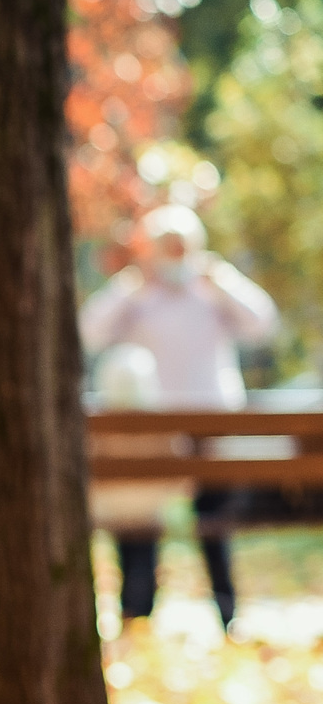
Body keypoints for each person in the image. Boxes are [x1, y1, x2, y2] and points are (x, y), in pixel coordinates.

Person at [79, 204, 280, 630]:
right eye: (166, 249)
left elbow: (262, 323)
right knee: (139, 522)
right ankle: (137, 613)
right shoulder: (139, 296)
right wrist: (129, 286)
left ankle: (226, 613)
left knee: (213, 522)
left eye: (182, 248)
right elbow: (90, 331)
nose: (175, 257)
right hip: (152, 430)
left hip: (210, 424)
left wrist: (223, 280)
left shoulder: (212, 292)